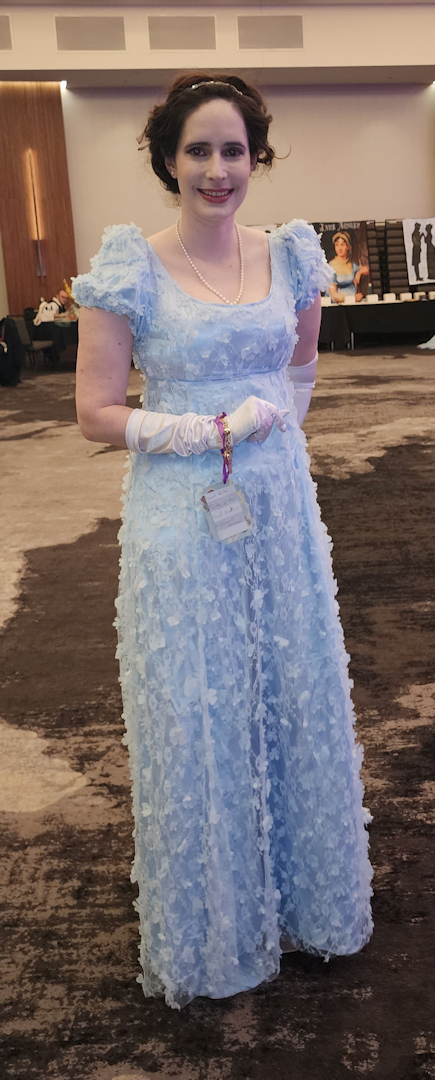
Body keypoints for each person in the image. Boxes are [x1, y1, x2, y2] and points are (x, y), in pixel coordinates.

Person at [73, 73, 373, 1010]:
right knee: (199, 701)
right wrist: (201, 433)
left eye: (232, 150)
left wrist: (269, 439)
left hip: (276, 506)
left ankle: (308, 903)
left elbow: (301, 368)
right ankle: (215, 930)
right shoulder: (130, 266)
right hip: (179, 511)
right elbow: (93, 411)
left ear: (256, 157)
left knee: (291, 684)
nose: (216, 169)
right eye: (197, 149)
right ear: (167, 158)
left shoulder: (292, 255)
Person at [328, 230, 368, 303]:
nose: (339, 248)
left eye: (342, 245)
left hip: (353, 299)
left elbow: (367, 269)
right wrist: (352, 299)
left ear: (347, 247)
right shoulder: (331, 266)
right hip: (339, 302)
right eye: (337, 245)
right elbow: (334, 295)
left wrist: (359, 272)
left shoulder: (352, 265)